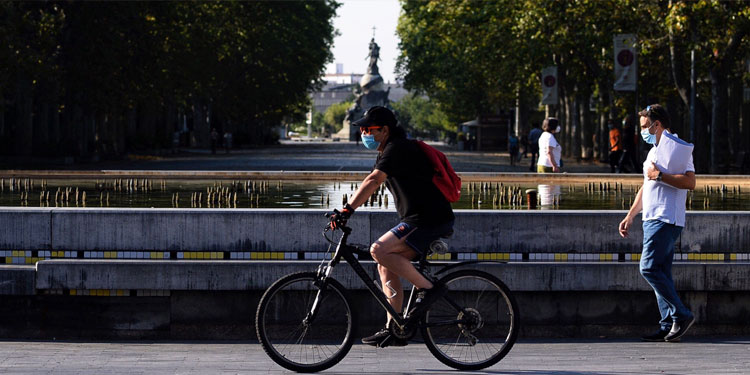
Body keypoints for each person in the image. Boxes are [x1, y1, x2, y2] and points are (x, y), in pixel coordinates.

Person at [328, 106, 455, 347]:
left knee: (379, 250)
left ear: (385, 130)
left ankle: (429, 289)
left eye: (368, 129)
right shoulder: (389, 148)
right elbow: (372, 181)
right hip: (419, 219)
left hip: (428, 219)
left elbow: (373, 180)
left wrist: (347, 210)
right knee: (385, 264)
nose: (363, 133)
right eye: (362, 129)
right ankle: (395, 328)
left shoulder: (397, 148)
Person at [618, 104, 696, 343]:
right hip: (651, 217)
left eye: (645, 127)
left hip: (666, 218)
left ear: (657, 124)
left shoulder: (677, 149)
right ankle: (667, 324)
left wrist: (660, 175)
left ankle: (681, 315)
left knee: (648, 268)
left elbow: (690, 182)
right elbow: (646, 185)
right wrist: (631, 215)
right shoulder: (654, 150)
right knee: (661, 272)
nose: (642, 131)